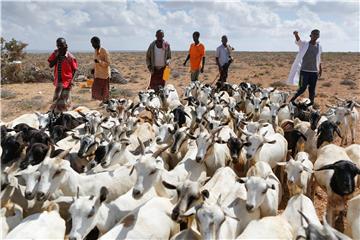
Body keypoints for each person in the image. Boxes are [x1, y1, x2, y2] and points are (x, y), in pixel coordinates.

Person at [288, 29, 322, 106]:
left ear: (318, 36)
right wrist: (296, 34)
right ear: (310, 35)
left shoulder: (319, 47)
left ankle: (311, 103)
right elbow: (298, 42)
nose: (315, 36)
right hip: (304, 71)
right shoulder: (305, 44)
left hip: (314, 72)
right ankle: (291, 101)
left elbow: (319, 58)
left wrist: (320, 69)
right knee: (302, 88)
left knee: (312, 89)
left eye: (317, 34)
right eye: (314, 34)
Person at [48, 38, 78, 113]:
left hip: (67, 81)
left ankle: (66, 114)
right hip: (59, 80)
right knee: (56, 98)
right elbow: (51, 65)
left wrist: (72, 80)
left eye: (61, 46)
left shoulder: (70, 57)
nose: (60, 48)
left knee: (65, 100)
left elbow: (74, 69)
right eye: (58, 46)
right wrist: (57, 57)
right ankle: (54, 113)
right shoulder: (55, 54)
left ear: (66, 46)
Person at [90, 36, 111, 103]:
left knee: (104, 91)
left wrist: (99, 62)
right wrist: (93, 69)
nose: (92, 45)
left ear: (97, 42)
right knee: (95, 89)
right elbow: (95, 61)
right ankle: (101, 103)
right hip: (98, 74)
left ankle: (106, 103)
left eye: (93, 43)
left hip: (104, 75)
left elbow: (108, 63)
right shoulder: (96, 51)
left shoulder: (104, 51)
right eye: (91, 43)